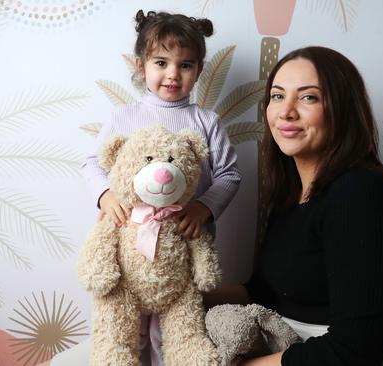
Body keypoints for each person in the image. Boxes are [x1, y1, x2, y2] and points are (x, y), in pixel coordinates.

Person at [205, 46, 383, 366]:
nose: (286, 111)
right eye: (277, 96)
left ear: (342, 109)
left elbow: (355, 349)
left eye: (308, 97)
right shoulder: (291, 197)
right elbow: (264, 293)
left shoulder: (361, 194)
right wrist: (180, 300)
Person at [45, 9, 241, 366]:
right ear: (141, 65)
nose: (172, 74)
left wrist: (203, 208)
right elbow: (93, 162)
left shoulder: (205, 121)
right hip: (129, 248)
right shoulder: (125, 116)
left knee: (173, 335)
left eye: (185, 65)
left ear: (198, 69)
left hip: (180, 249)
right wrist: (105, 195)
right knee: (126, 329)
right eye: (161, 62)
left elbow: (229, 175)